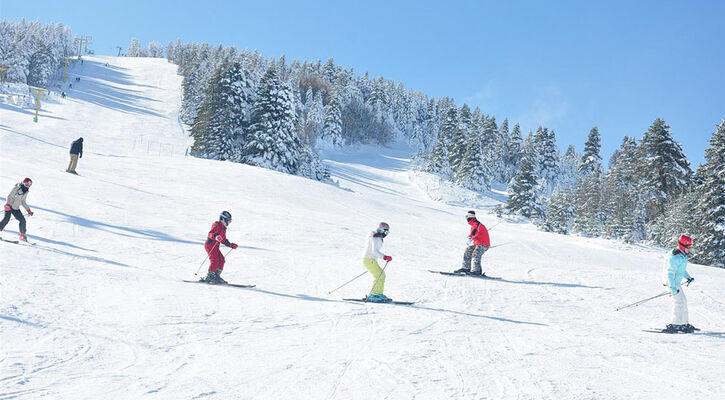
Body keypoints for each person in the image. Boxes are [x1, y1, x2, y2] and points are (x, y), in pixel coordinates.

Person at [663, 235, 696, 333]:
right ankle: (675, 324)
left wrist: (688, 277)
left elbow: (681, 269)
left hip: (675, 283)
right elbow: (669, 273)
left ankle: (684, 323)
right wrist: (672, 287)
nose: (690, 249)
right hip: (671, 283)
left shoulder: (681, 255)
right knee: (678, 302)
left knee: (683, 301)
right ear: (682, 246)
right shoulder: (675, 257)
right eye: (688, 247)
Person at [361, 222, 393, 302]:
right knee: (379, 275)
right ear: (383, 231)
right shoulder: (376, 238)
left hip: (370, 259)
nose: (386, 234)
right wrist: (385, 257)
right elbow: (375, 251)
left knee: (381, 275)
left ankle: (378, 294)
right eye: (386, 232)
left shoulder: (375, 237)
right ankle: (373, 295)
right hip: (369, 259)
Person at [203, 211, 238, 284]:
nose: (229, 223)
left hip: (215, 247)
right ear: (223, 219)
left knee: (221, 259)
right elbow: (211, 234)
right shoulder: (216, 224)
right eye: (229, 221)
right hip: (210, 245)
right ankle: (210, 276)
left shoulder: (223, 228)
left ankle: (216, 276)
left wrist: (231, 245)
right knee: (215, 259)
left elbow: (223, 240)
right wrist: (215, 236)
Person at [455, 210, 490, 275]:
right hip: (478, 244)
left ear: (470, 217)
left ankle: (476, 271)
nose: (466, 219)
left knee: (476, 254)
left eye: (467, 217)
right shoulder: (474, 224)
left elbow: (475, 231)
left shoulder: (476, 224)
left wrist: (470, 237)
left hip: (484, 244)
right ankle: (466, 268)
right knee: (468, 250)